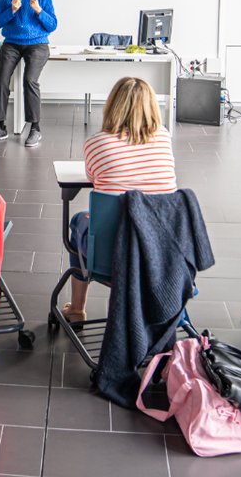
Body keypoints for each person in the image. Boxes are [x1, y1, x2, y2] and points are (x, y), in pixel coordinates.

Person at [62, 77, 177, 322]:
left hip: (113, 254)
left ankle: (77, 309)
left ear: (112, 105)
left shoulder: (97, 143)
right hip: (161, 253)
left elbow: (94, 179)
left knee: (78, 220)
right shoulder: (164, 138)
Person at [0, 0, 57, 147]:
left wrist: (38, 11)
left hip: (38, 44)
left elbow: (52, 25)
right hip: (12, 43)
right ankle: (0, 126)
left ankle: (35, 127)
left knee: (30, 80)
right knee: (2, 82)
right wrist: (11, 10)